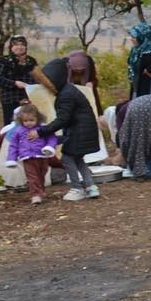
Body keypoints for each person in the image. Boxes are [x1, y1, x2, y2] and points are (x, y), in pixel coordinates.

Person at [41, 57, 103, 202]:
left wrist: (41, 131)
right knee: (78, 159)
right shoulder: (68, 90)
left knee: (67, 158)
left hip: (79, 131)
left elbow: (63, 120)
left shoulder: (65, 95)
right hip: (84, 130)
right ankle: (91, 187)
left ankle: (77, 188)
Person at [4, 103, 58, 205]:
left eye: (31, 120)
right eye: (25, 121)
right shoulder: (19, 131)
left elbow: (52, 138)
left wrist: (49, 147)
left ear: (38, 118)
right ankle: (35, 194)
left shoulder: (43, 129)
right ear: (21, 120)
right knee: (32, 177)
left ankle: (40, 191)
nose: (28, 123)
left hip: (42, 155)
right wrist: (11, 158)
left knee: (41, 174)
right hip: (27, 157)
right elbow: (13, 145)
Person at [0, 35, 38, 126]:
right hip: (9, 98)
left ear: (25, 47)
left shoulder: (31, 61)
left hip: (28, 98)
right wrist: (14, 83)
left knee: (28, 123)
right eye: (16, 45)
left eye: (22, 44)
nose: (19, 47)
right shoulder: (4, 61)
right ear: (11, 47)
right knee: (11, 124)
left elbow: (37, 78)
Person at [126, 22, 151, 97]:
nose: (131, 39)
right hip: (135, 87)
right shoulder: (135, 50)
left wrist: (149, 70)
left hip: (148, 90)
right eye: (131, 37)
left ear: (142, 37)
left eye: (134, 37)